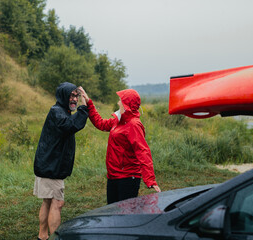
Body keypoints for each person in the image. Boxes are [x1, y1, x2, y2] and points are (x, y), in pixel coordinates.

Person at [79, 87, 161, 204]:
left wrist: (150, 180)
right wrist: (89, 103)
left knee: (125, 215)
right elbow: (100, 123)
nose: (118, 102)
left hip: (127, 178)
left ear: (127, 104)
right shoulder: (119, 121)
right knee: (112, 213)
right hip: (113, 176)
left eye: (120, 100)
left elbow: (142, 151)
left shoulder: (133, 125)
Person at [33, 82, 88, 240]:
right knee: (57, 203)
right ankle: (53, 238)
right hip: (51, 167)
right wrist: (84, 108)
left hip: (49, 165)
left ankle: (42, 236)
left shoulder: (61, 110)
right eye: (72, 95)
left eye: (76, 96)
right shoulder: (57, 112)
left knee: (48, 202)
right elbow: (70, 126)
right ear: (63, 95)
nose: (75, 99)